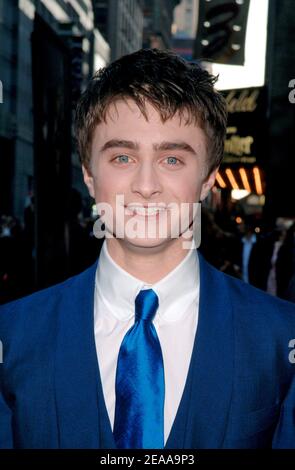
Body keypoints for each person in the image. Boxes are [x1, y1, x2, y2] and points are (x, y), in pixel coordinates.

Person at [1, 49, 295, 449]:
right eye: (122, 156)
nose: (145, 184)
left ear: (208, 179)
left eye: (172, 159)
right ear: (89, 174)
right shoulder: (13, 334)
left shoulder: (282, 337)